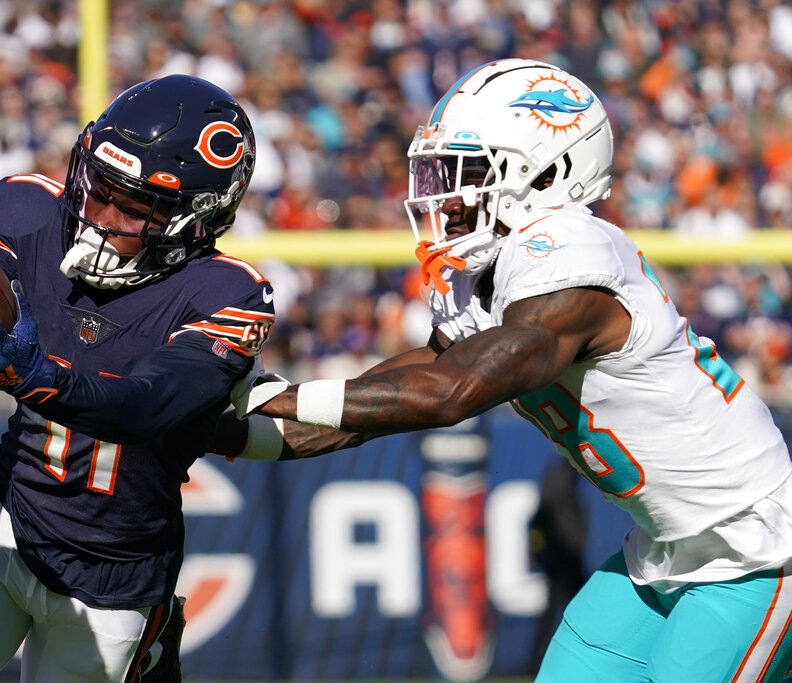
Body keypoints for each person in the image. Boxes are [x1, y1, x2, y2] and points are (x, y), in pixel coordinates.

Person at [224, 59, 792, 681]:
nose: (447, 194)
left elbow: (450, 392)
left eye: (469, 171)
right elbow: (396, 391)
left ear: (549, 174)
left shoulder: (571, 252)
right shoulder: (497, 270)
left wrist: (273, 395)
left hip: (754, 549)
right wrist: (225, 431)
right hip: (659, 550)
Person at [0, 74, 273, 683]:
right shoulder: (28, 210)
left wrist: (38, 377)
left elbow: (148, 406)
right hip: (7, 521)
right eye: (98, 189)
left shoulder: (226, 292)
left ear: (198, 217)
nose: (100, 216)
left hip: (116, 581)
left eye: (134, 206)